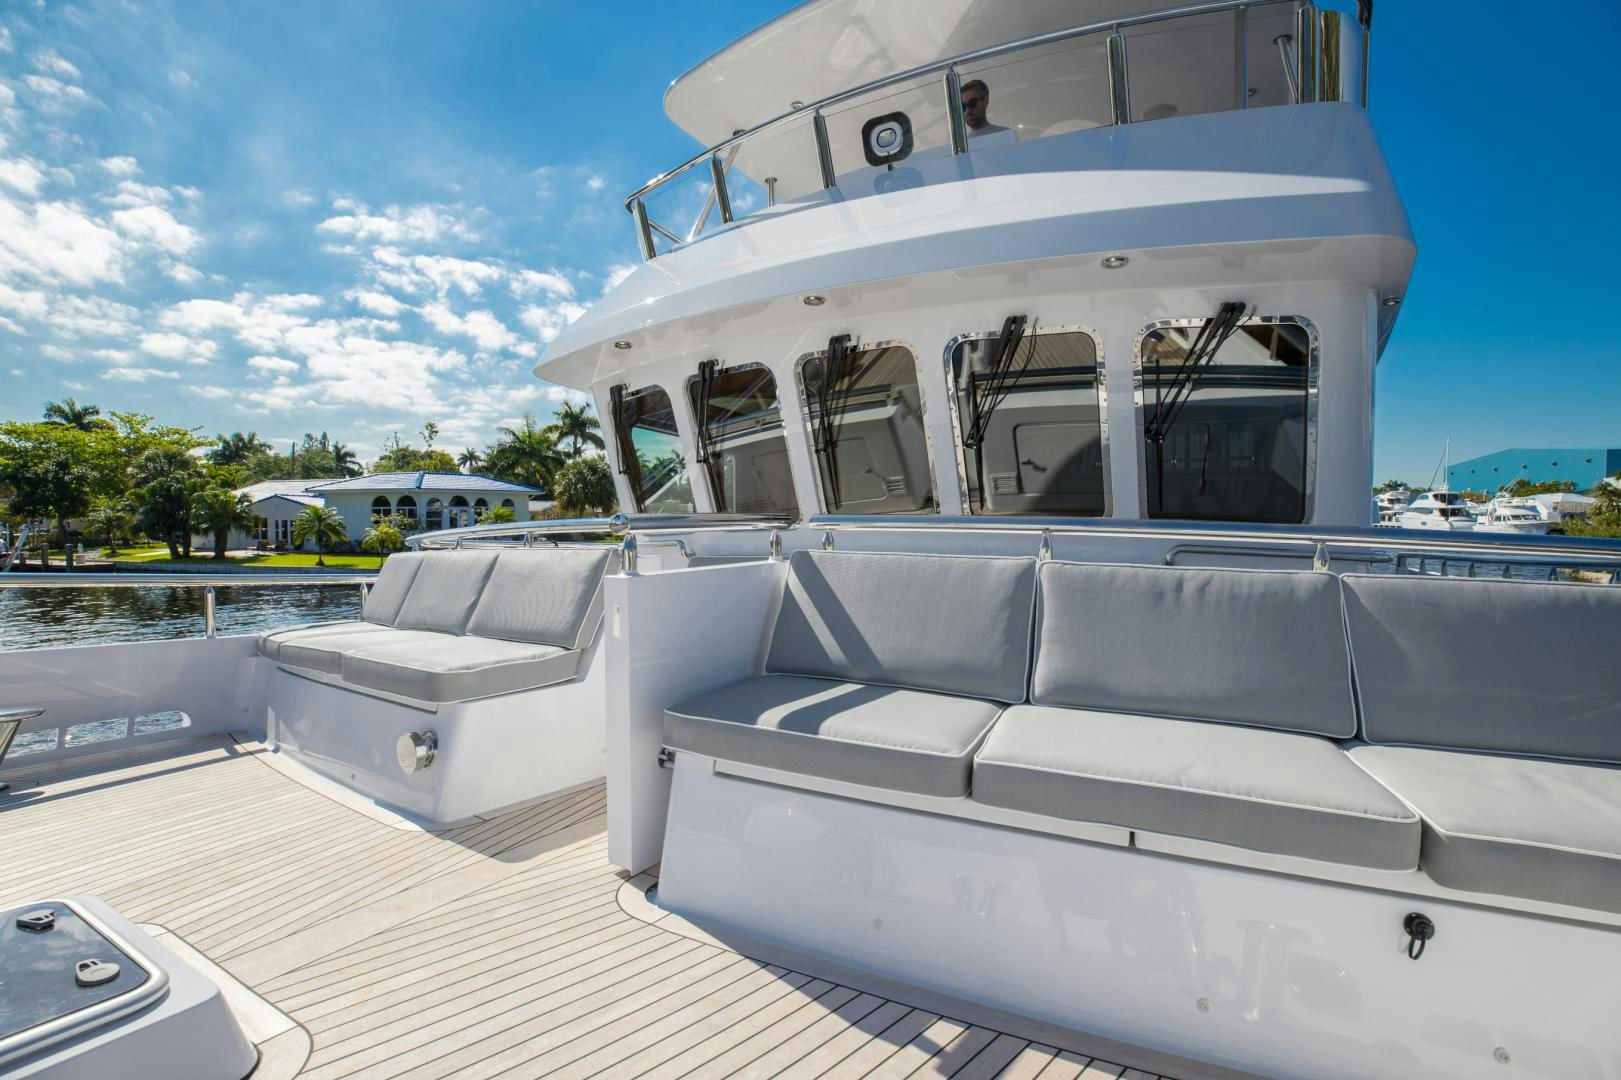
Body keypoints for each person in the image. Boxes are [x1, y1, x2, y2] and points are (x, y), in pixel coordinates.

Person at [960, 79, 1016, 144]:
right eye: (963, 106)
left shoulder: (1006, 135)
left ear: (985, 101)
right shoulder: (962, 145)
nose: (968, 111)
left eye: (972, 103)